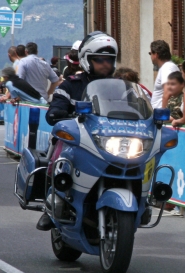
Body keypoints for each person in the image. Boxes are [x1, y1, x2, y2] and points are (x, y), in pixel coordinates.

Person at [38, 31, 119, 231]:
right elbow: (55, 108)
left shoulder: (120, 88)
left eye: (109, 60)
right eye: (99, 60)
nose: (104, 64)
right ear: (85, 60)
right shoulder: (70, 85)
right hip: (79, 142)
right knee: (60, 145)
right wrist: (57, 112)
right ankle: (52, 202)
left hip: (108, 143)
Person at [149, 40, 179, 109]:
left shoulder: (166, 68)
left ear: (156, 55)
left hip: (162, 116)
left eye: (150, 53)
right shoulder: (169, 66)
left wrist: (162, 114)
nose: (150, 56)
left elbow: (168, 91)